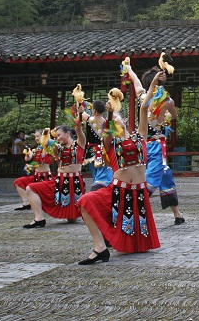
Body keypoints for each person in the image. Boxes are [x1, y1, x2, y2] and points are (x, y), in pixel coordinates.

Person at [76, 77, 161, 264]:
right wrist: (109, 115)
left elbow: (144, 107)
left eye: (116, 118)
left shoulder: (140, 136)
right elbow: (107, 131)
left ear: (123, 120)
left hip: (138, 192)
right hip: (118, 190)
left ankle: (108, 244)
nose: (113, 121)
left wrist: (154, 83)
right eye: (111, 120)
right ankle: (100, 248)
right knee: (84, 201)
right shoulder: (110, 142)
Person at [124, 62, 185, 225]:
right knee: (152, 177)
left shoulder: (142, 96)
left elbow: (135, 81)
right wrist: (166, 115)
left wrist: (129, 68)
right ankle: (134, 206)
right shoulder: (167, 101)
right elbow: (174, 116)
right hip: (157, 145)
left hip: (142, 143)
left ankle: (177, 214)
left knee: (166, 177)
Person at [23, 118, 86, 228]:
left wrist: (78, 117)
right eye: (56, 136)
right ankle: (39, 218)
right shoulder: (57, 147)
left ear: (68, 133)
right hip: (59, 181)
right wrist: (45, 137)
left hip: (75, 182)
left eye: (59, 135)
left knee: (72, 219)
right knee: (30, 188)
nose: (58, 138)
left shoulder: (79, 144)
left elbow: (79, 130)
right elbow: (47, 145)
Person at [13, 130, 54, 211]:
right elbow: (28, 158)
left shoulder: (49, 148)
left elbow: (45, 161)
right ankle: (26, 203)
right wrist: (27, 154)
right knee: (18, 182)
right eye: (35, 137)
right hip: (36, 176)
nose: (36, 138)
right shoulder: (36, 149)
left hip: (45, 177)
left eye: (38, 136)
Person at [82, 100, 113, 191]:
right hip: (104, 150)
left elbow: (81, 113)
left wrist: (79, 101)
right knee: (103, 172)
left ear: (94, 110)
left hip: (91, 152)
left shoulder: (89, 119)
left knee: (94, 173)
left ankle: (96, 189)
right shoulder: (106, 122)